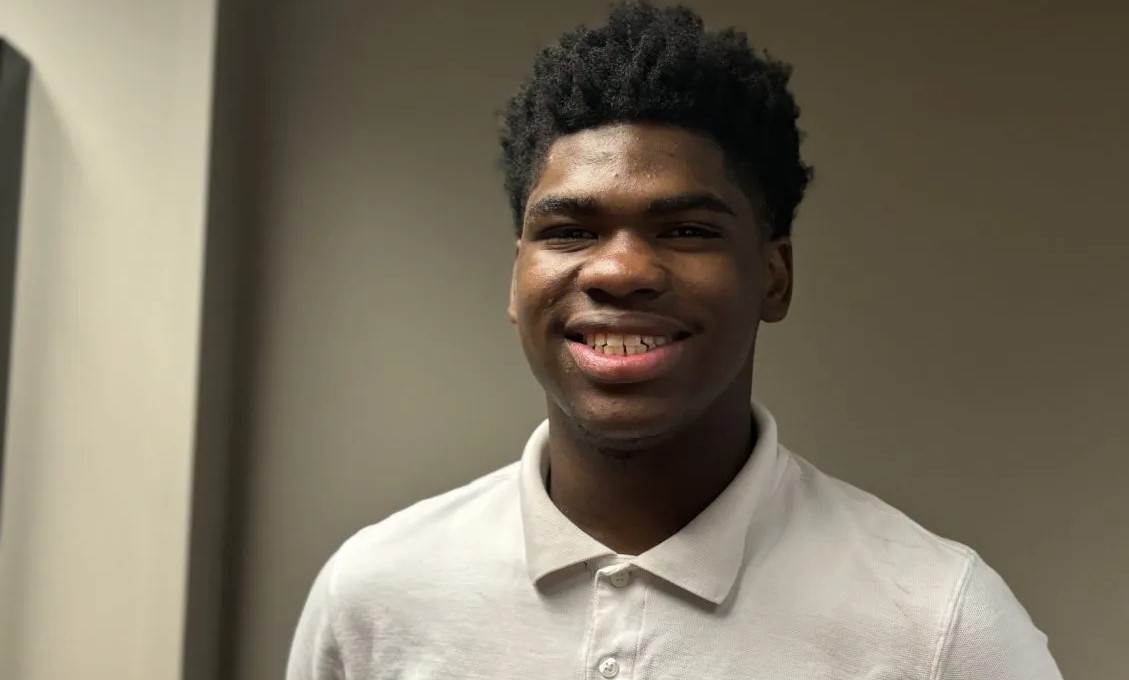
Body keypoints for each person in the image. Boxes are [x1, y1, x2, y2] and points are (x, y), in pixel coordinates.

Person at [287, 2, 1064, 678]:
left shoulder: (939, 626)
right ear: (516, 279)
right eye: (570, 230)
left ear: (774, 278)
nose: (620, 270)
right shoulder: (374, 598)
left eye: (687, 230)